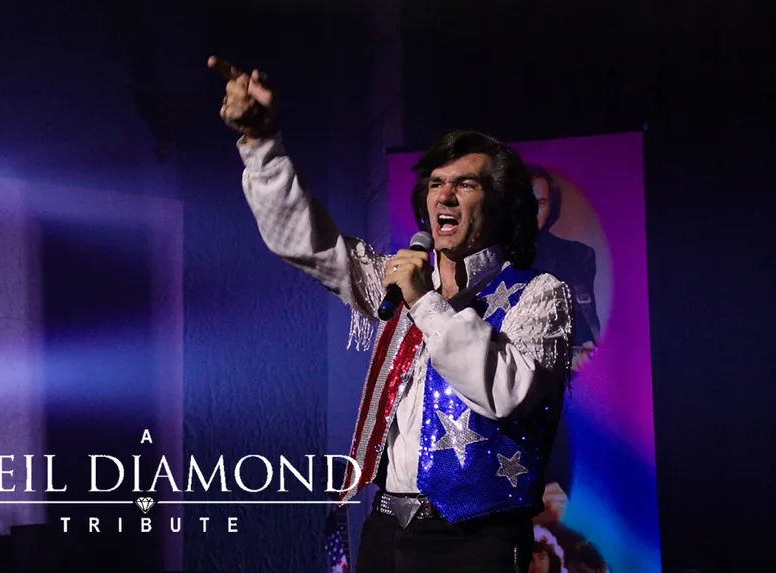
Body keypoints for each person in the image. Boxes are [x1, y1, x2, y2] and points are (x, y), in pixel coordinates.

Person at [210, 56, 576, 573]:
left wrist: (426, 302)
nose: (444, 194)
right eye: (435, 183)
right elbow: (306, 242)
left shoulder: (538, 295)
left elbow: (505, 393)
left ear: (501, 206)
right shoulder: (397, 278)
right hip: (386, 529)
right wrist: (261, 143)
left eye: (465, 185)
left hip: (474, 540)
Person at [529, 166, 601, 372]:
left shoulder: (577, 256)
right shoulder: (489, 258)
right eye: (526, 203)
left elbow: (585, 322)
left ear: (552, 207)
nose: (532, 212)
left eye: (541, 203)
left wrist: (585, 349)